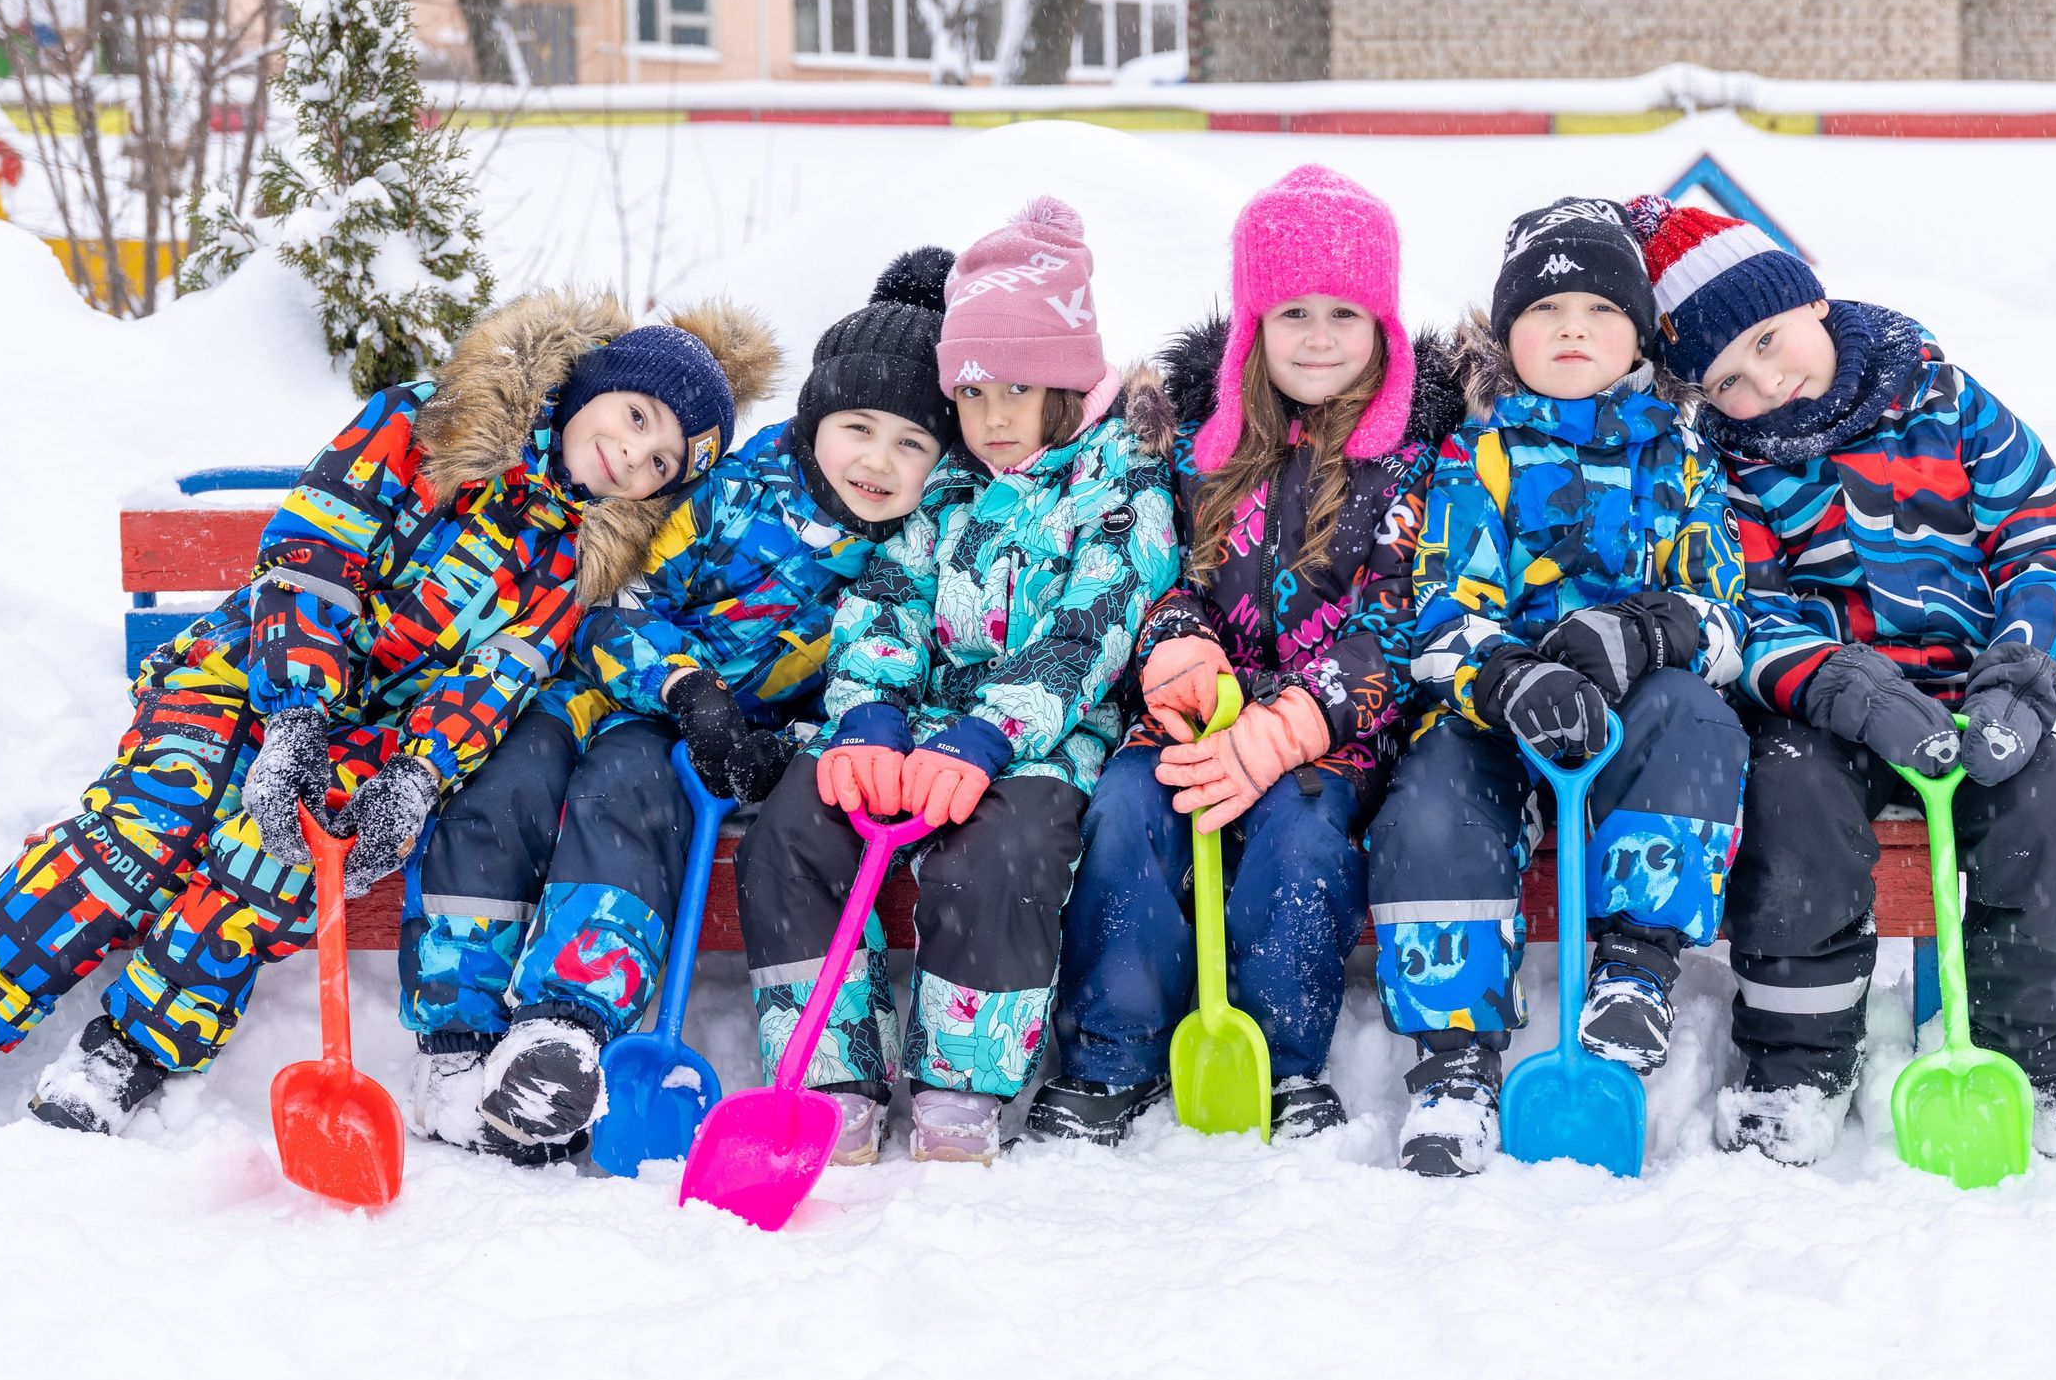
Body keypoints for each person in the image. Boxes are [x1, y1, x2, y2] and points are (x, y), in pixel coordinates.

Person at [0, 291, 742, 1132]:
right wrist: (295, 713)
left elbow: (495, 678)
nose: (634, 456)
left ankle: (129, 1050)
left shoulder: (574, 564)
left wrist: (418, 772)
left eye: (663, 463)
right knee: (152, 822)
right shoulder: (428, 424)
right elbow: (312, 558)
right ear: (594, 382)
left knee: (279, 866)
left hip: (375, 737)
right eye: (636, 417)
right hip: (248, 672)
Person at [399, 260, 958, 1163]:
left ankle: (560, 1030)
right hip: (599, 687)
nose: (877, 462)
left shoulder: (906, 556)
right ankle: (455, 1038)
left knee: (629, 789)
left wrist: (778, 743)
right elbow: (618, 600)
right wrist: (688, 687)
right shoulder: (730, 493)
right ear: (817, 418)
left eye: (911, 445)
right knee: (505, 783)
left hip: (681, 742)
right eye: (857, 428)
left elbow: (879, 684)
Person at [1625, 194, 2056, 1165]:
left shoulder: (1945, 402)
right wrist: (1844, 687)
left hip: (1973, 698)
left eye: (1770, 341)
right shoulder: (1727, 468)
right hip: (1821, 711)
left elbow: (2043, 538)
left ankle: (2022, 1057)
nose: (1766, 381)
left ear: (1810, 301)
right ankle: (1797, 1065)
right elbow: (1748, 610)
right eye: (1728, 381)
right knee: (1790, 813)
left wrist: (2019, 681)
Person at [733, 197, 1180, 1166]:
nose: (993, 418)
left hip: (1043, 739)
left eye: (1017, 389)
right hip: (918, 731)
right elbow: (887, 597)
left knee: (998, 855)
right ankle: (830, 1073)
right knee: (794, 827)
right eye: (971, 394)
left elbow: (1094, 627)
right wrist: (870, 715)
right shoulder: (950, 483)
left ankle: (960, 1079)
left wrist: (986, 733)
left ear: (1068, 380)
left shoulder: (1118, 479)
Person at [1028, 165, 1461, 1147]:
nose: (1318, 337)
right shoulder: (1199, 451)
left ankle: (1278, 1056)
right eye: (1292, 312)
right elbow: (1160, 575)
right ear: (1253, 326)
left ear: (1384, 328)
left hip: (1332, 734)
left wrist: (1295, 723)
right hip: (1197, 713)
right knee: (1127, 811)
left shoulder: (1413, 463)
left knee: (1299, 838)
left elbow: (1400, 618)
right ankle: (1110, 1053)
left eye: (1345, 314)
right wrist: (1174, 641)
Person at [1376, 199, 1750, 1177]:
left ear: (1638, 334)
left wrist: (1651, 630)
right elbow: (1440, 614)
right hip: (1500, 712)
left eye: (1599, 308)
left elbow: (1723, 615)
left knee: (1697, 719)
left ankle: (1633, 969)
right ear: (1507, 334)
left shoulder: (1679, 456)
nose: (1572, 328)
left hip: (1636, 706)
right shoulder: (1477, 455)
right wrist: (1504, 674)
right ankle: (1453, 1061)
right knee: (1433, 798)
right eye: (1545, 310)